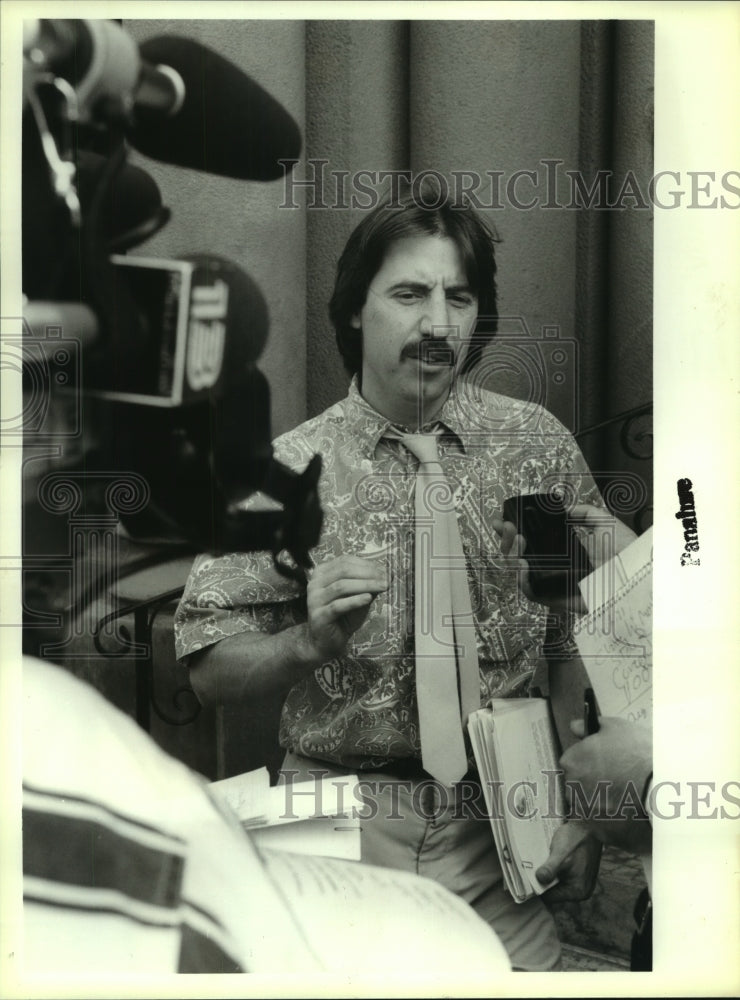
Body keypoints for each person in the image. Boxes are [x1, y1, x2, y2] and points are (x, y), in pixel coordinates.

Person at [174, 183, 606, 971]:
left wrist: (587, 808)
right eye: (409, 294)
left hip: (501, 821)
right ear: (353, 310)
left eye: (458, 298)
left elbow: (580, 631)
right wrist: (304, 645)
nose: (438, 323)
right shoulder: (284, 471)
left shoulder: (533, 447)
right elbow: (207, 669)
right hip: (333, 818)